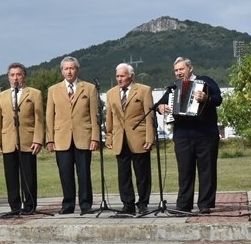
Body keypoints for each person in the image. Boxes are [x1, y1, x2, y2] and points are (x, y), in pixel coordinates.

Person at [157, 57, 222, 214]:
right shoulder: (173, 88)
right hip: (182, 135)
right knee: (184, 171)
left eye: (181, 69)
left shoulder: (205, 81)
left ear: (190, 68)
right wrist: (161, 107)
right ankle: (184, 205)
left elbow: (218, 99)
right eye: (176, 70)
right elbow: (158, 105)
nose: (179, 73)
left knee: (207, 170)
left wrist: (207, 98)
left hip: (205, 134)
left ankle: (205, 204)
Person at [46, 57, 100, 214]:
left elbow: (94, 115)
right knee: (65, 173)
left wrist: (95, 137)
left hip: (83, 137)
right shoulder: (53, 90)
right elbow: (49, 117)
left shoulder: (89, 88)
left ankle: (85, 204)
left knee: (84, 173)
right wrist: (50, 138)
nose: (69, 71)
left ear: (78, 70)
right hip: (61, 138)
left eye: (72, 68)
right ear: (62, 71)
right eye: (66, 69)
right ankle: (68, 204)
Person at [0, 63, 44, 215]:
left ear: (24, 76)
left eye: (18, 74)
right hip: (8, 141)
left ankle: (29, 205)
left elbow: (39, 119)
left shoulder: (34, 93)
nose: (15, 78)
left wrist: (38, 140)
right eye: (12, 75)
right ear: (8, 78)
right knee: (11, 176)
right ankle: (14, 206)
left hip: (27, 140)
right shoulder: (2, 95)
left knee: (29, 175)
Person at [105, 63, 154, 215]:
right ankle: (128, 204)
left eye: (122, 76)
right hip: (120, 139)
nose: (119, 79)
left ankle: (143, 203)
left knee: (142, 173)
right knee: (123, 174)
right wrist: (109, 135)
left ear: (131, 76)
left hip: (139, 137)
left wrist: (150, 137)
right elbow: (110, 117)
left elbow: (149, 116)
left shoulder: (144, 90)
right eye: (117, 76)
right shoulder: (111, 93)